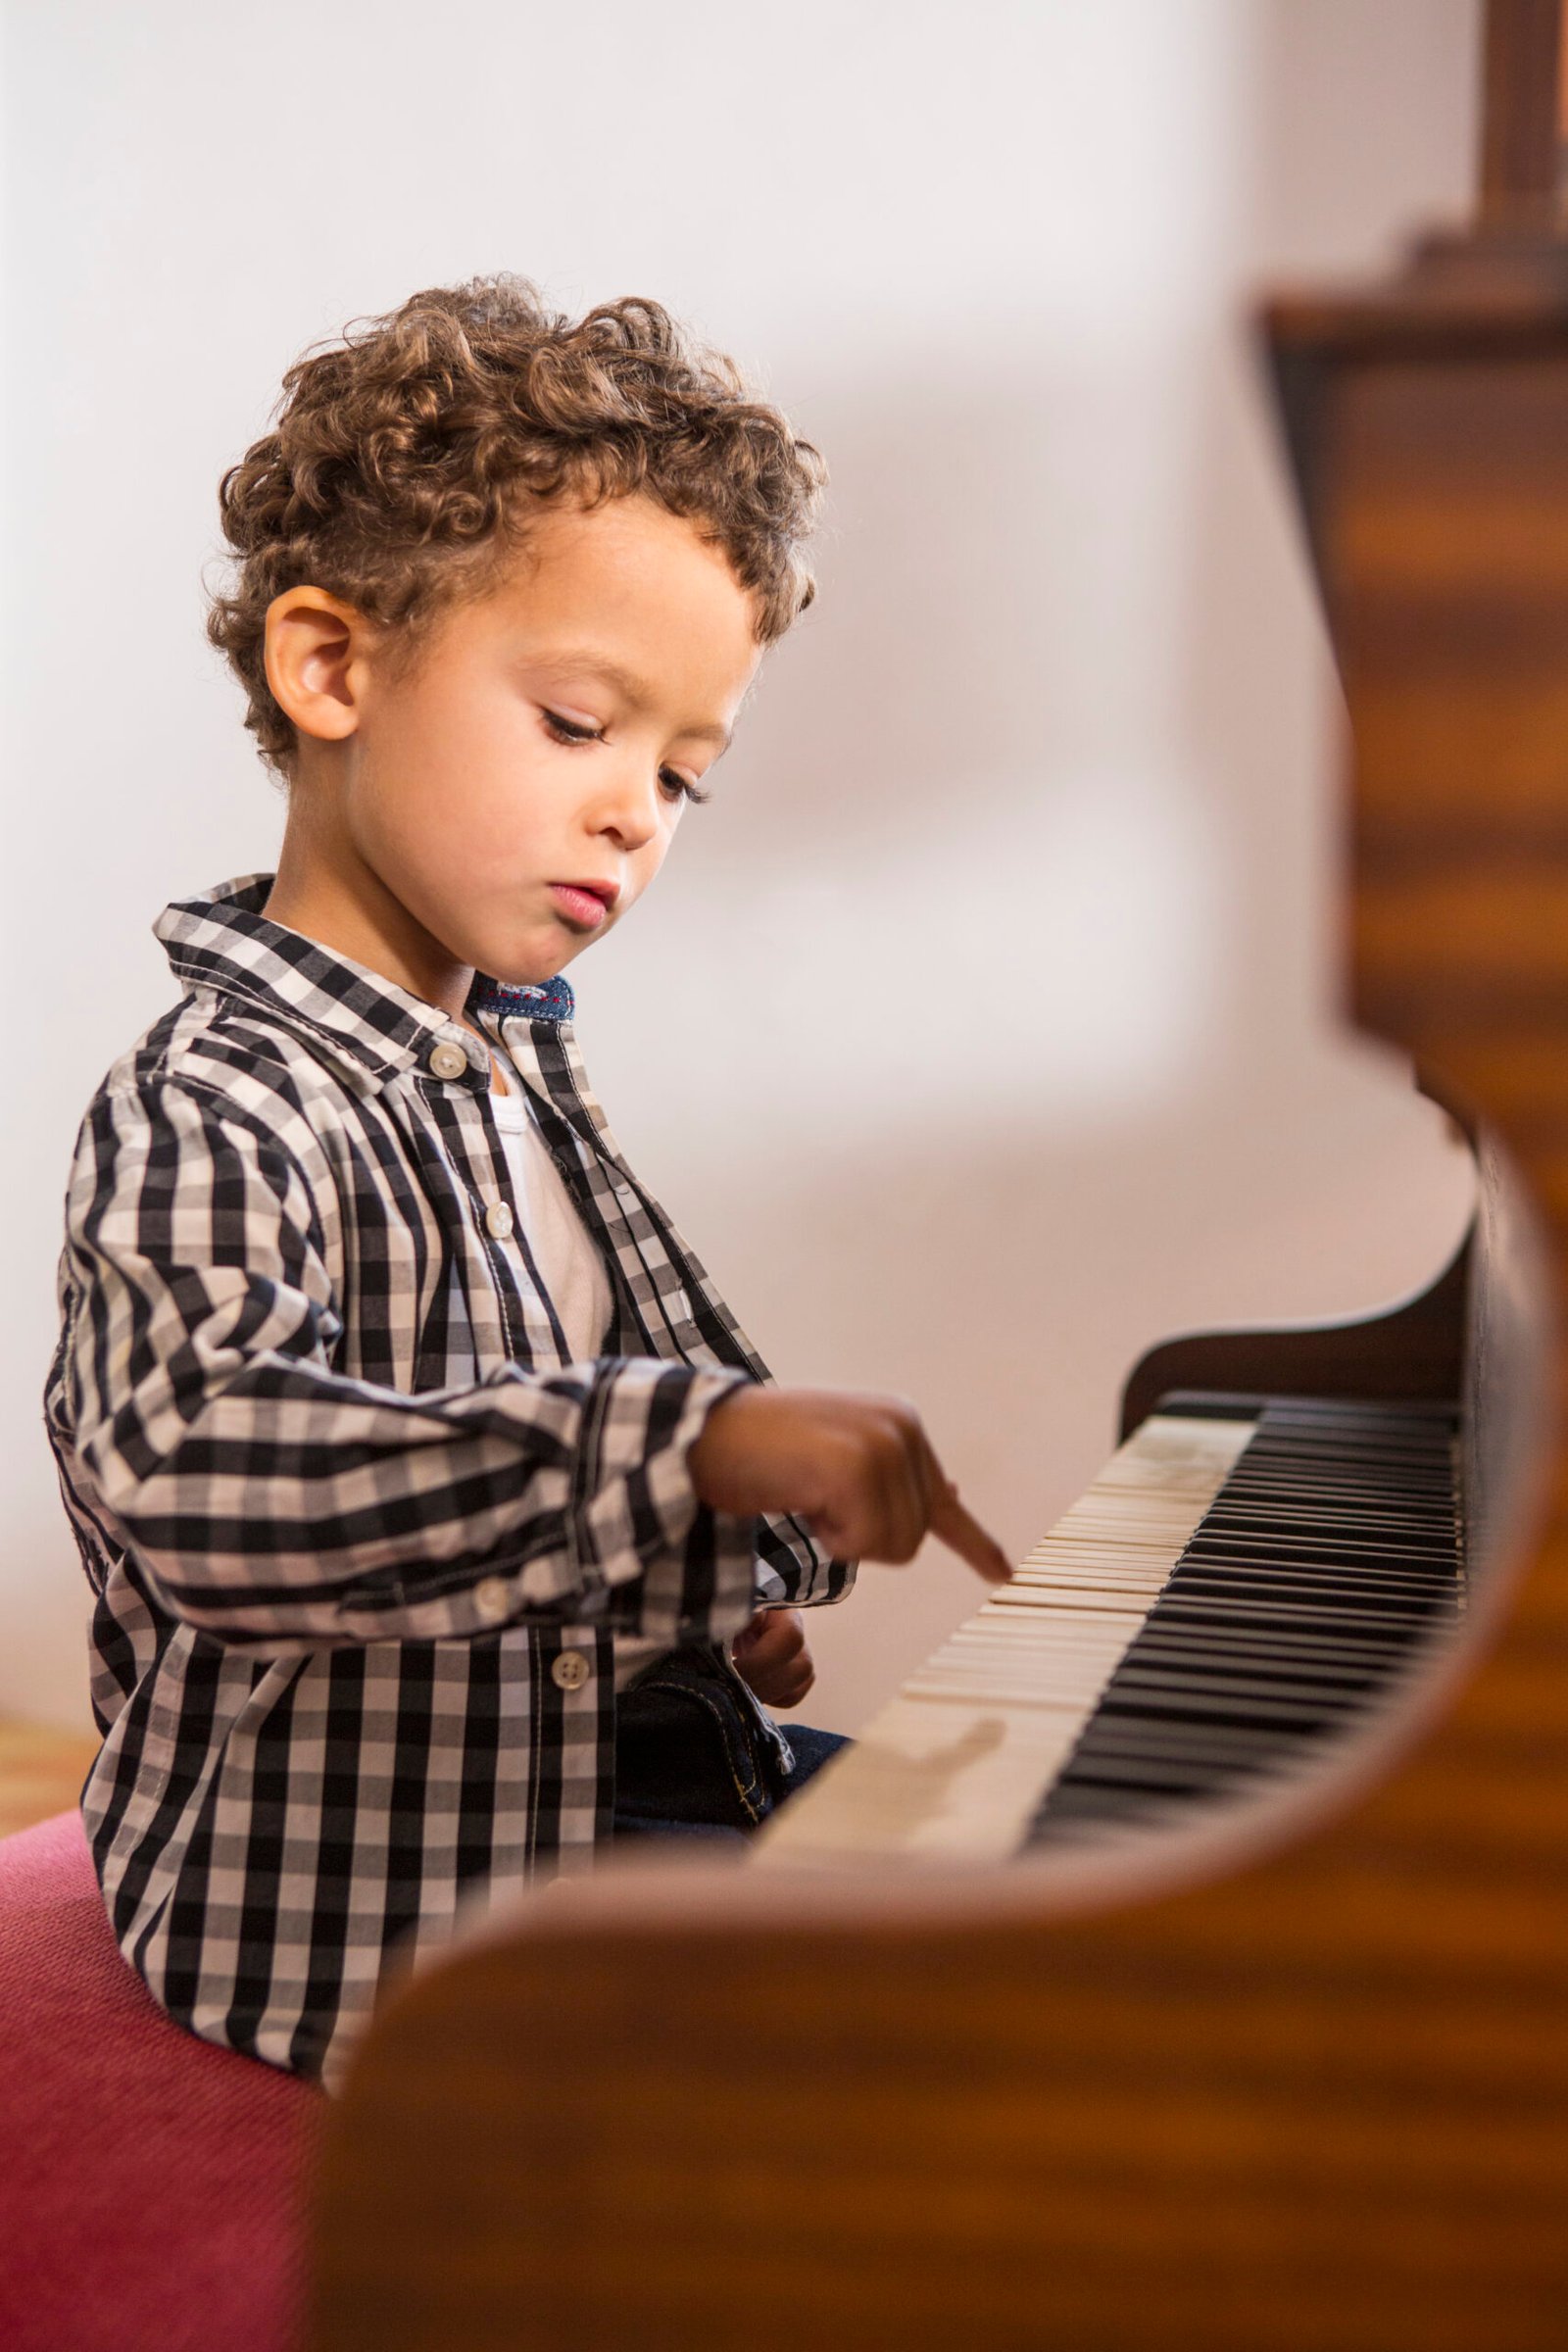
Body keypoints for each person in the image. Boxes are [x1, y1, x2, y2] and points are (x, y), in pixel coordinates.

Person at [40, 274, 1011, 2092]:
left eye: (681, 776)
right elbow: (207, 1483)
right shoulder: (210, 1099)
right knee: (926, 2094)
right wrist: (689, 1453)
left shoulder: (518, 1065)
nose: (638, 810)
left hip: (619, 1774)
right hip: (376, 1911)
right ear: (332, 668)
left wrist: (712, 1583)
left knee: (1064, 1897)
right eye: (581, 725)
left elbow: (577, 1407)